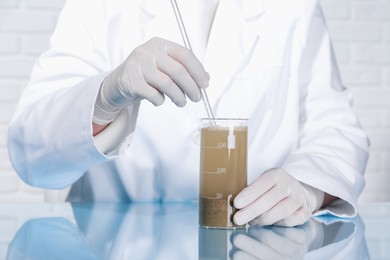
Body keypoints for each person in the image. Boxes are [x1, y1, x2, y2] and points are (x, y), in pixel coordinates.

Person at [7, 0, 369, 227]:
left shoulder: (294, 7)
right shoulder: (100, 5)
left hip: (253, 241)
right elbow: (31, 155)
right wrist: (102, 98)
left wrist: (308, 185)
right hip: (108, 242)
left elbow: (335, 126)